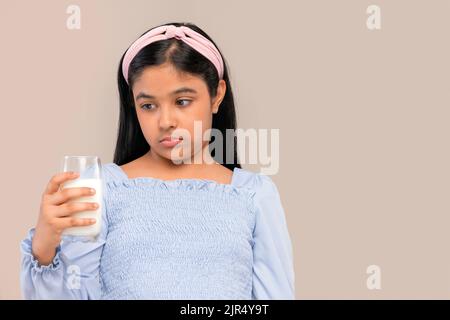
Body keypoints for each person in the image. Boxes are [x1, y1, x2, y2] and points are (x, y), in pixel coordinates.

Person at [20, 22, 295, 299]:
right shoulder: (100, 189)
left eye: (183, 101)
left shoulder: (254, 195)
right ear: (134, 105)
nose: (165, 122)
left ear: (217, 95)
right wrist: (44, 248)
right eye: (148, 106)